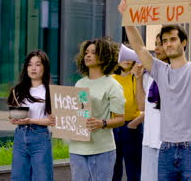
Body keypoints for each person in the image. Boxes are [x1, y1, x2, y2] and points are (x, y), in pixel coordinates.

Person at [118, 0, 191, 180]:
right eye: (165, 41)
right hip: (166, 146)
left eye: (173, 39)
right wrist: (126, 18)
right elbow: (139, 48)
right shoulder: (160, 70)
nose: (168, 44)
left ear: (184, 43)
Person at [69, 38, 126, 181]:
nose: (87, 55)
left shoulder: (112, 85)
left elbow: (121, 119)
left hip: (102, 150)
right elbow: (77, 113)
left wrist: (103, 123)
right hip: (77, 149)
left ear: (103, 57)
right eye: (86, 52)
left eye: (93, 52)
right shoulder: (79, 83)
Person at [7, 50, 55, 181]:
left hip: (40, 137)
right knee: (18, 177)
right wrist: (14, 119)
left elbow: (52, 121)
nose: (33, 68)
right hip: (20, 137)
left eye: (38, 64)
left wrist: (31, 120)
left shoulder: (50, 91)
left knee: (42, 177)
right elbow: (14, 112)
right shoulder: (18, 90)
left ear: (45, 67)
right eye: (30, 64)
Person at [137, 33, 168, 181]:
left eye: (160, 44)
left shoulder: (177, 71)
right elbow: (141, 105)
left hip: (168, 143)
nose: (157, 48)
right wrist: (138, 79)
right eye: (155, 44)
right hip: (149, 141)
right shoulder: (147, 75)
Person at [112, 59, 144, 181]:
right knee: (114, 168)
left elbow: (143, 104)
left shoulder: (137, 78)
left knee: (134, 169)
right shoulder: (111, 79)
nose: (126, 60)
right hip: (113, 126)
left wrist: (134, 123)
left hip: (132, 127)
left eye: (129, 57)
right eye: (123, 57)